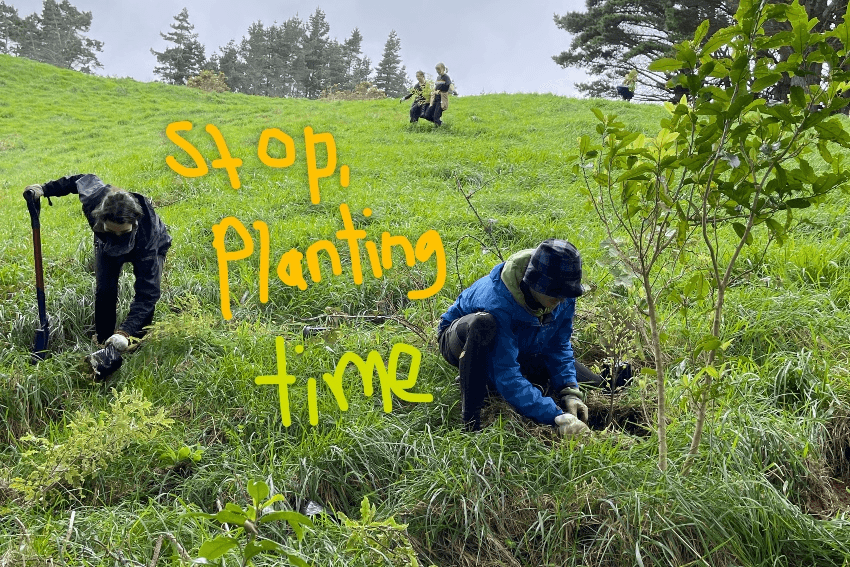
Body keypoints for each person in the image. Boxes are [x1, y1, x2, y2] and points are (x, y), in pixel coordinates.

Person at [437, 239, 595, 436]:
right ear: (534, 282)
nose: (561, 301)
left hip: (522, 345)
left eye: (565, 294)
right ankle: (471, 423)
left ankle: (489, 382)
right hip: (460, 339)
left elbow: (558, 346)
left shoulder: (562, 290)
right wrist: (556, 417)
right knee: (484, 325)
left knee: (595, 382)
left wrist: (570, 392)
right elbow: (507, 374)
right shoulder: (498, 303)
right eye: (555, 295)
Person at [23, 174, 172, 368]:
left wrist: (124, 333)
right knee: (105, 290)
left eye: (123, 232)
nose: (118, 236)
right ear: (100, 217)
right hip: (105, 245)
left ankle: (134, 340)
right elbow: (77, 180)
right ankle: (103, 341)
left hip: (146, 246)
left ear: (134, 223)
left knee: (145, 296)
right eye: (112, 230)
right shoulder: (94, 197)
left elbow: (147, 294)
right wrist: (45, 189)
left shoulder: (148, 237)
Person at [423, 62, 457, 127]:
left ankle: (440, 125)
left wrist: (454, 91)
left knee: (436, 116)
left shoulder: (446, 77)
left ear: (443, 69)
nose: (437, 72)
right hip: (435, 98)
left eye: (438, 70)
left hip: (441, 99)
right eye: (437, 70)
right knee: (427, 115)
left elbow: (450, 84)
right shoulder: (438, 78)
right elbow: (436, 87)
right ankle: (439, 123)